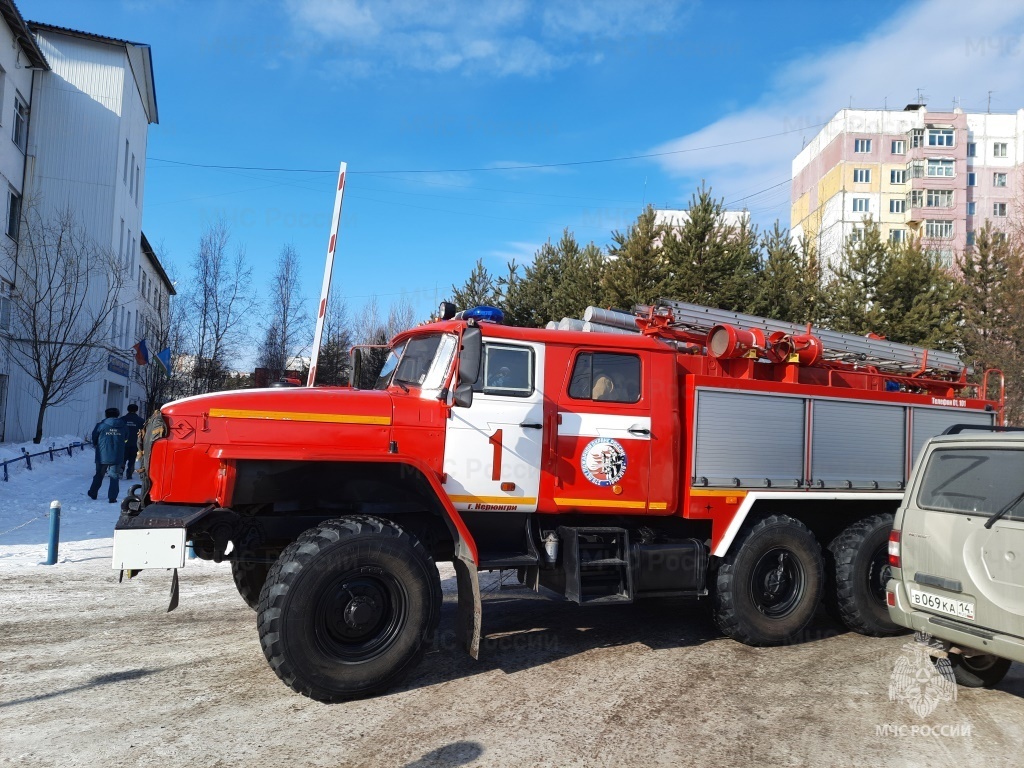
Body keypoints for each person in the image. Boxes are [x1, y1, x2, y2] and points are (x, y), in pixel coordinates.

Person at [88, 408, 125, 503]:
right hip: (117, 454)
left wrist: (97, 445)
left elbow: (94, 438)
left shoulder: (101, 425)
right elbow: (126, 437)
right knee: (114, 476)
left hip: (102, 454)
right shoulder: (123, 425)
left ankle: (93, 492)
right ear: (118, 415)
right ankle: (112, 497)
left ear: (106, 415)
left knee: (99, 474)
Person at [120, 404, 146, 479]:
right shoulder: (141, 421)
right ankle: (129, 473)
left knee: (122, 458)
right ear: (136, 410)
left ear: (128, 409)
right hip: (135, 443)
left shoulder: (122, 419)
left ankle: (121, 469)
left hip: (123, 443)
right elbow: (143, 433)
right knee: (132, 459)